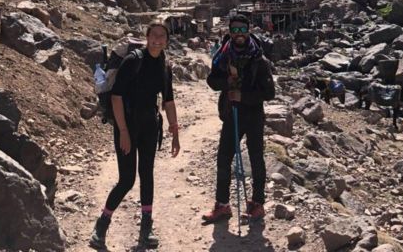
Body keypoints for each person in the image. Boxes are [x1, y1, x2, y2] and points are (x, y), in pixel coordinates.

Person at [90, 23, 180, 250]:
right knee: (127, 179)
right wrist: (123, 132)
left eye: (162, 36)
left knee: (147, 174)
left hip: (150, 125)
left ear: (166, 41)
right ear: (147, 37)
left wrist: (175, 131)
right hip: (127, 125)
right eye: (154, 35)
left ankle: (146, 230)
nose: (158, 40)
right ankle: (101, 227)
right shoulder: (133, 61)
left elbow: (168, 100)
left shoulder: (164, 65)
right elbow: (116, 97)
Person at [202, 14, 275, 224]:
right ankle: (222, 205)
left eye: (243, 30)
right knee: (224, 158)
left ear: (249, 30)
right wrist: (227, 81)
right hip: (231, 113)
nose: (239, 34)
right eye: (236, 30)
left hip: (253, 115)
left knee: (256, 158)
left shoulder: (259, 59)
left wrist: (243, 96)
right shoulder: (223, 56)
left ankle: (257, 203)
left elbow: (269, 93)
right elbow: (212, 81)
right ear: (230, 32)